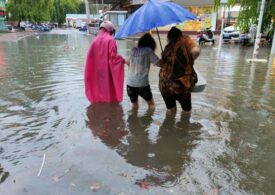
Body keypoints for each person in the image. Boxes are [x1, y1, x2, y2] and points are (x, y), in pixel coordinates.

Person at [159, 27, 200, 113]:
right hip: (180, 85)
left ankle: (168, 125)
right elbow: (196, 51)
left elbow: (162, 64)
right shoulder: (185, 40)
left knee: (171, 111)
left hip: (165, 85)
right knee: (186, 111)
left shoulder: (167, 47)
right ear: (180, 34)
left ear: (169, 37)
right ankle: (183, 126)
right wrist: (189, 62)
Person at [84, 21, 127, 104]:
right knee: (109, 94)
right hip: (107, 72)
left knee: (99, 93)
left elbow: (90, 60)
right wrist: (124, 61)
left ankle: (100, 111)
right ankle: (110, 111)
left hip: (97, 73)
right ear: (110, 30)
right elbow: (113, 58)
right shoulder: (111, 40)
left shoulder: (94, 41)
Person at [126, 33, 160, 110]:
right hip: (142, 85)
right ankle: (147, 120)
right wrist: (163, 59)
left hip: (130, 84)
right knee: (151, 105)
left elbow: (128, 62)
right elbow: (158, 63)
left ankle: (133, 121)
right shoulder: (148, 51)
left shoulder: (133, 50)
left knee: (134, 106)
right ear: (151, 44)